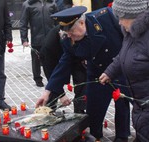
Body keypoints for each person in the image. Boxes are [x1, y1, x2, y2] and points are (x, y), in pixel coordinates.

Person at [36, 6, 130, 142]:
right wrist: (48, 91)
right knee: (94, 109)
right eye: (66, 32)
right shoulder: (67, 38)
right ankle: (95, 135)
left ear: (81, 23)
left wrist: (119, 66)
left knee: (122, 105)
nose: (69, 35)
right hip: (97, 75)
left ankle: (122, 136)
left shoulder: (106, 17)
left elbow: (128, 40)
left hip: (119, 67)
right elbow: (64, 63)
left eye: (71, 31)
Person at [99, 0, 149, 141]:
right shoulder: (134, 31)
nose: (119, 23)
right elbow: (126, 53)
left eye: (121, 18)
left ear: (132, 15)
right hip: (145, 107)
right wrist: (110, 71)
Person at [40, 24, 87, 113]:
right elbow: (52, 76)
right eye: (69, 35)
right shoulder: (48, 48)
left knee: (82, 81)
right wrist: (61, 94)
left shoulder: (75, 31)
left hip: (74, 58)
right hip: (55, 61)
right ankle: (49, 112)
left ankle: (80, 113)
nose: (71, 37)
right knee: (53, 87)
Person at [19, 0, 57, 87]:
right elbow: (23, 22)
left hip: (51, 37)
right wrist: (24, 39)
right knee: (36, 60)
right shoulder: (28, 4)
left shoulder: (52, 3)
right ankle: (37, 78)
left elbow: (57, 20)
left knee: (51, 59)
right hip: (37, 37)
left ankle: (51, 78)